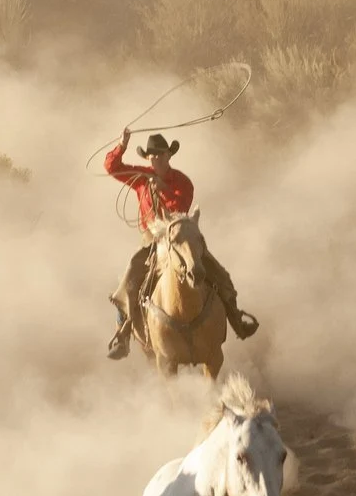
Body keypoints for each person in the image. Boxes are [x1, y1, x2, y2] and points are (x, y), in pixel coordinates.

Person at [104, 129, 259, 359]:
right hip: (151, 241)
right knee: (127, 282)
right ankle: (123, 335)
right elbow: (112, 168)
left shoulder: (182, 181)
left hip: (180, 236)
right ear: (147, 157)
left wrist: (163, 189)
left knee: (220, 276)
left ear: (169, 155)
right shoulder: (140, 178)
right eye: (153, 155)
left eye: (161, 154)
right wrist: (122, 145)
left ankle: (236, 320)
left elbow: (180, 206)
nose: (157, 158)